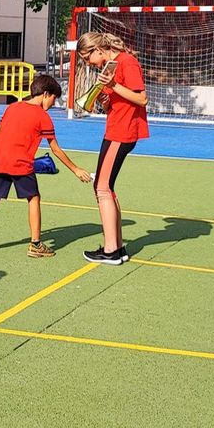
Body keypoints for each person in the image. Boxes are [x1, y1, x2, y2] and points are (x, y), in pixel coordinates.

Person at [0, 74, 92, 257]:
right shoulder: (43, 117)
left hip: (0, 161)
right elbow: (55, 149)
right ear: (46, 94)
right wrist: (76, 169)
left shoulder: (12, 107)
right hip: (21, 165)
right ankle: (36, 244)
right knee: (34, 198)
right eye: (53, 99)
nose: (53, 104)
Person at [77, 31, 149, 265]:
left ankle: (111, 250)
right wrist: (105, 100)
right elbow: (117, 102)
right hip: (116, 129)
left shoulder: (127, 62)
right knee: (106, 187)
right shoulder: (111, 66)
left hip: (122, 132)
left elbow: (142, 99)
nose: (88, 64)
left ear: (98, 50)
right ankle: (116, 247)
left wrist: (113, 85)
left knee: (101, 187)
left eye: (87, 58)